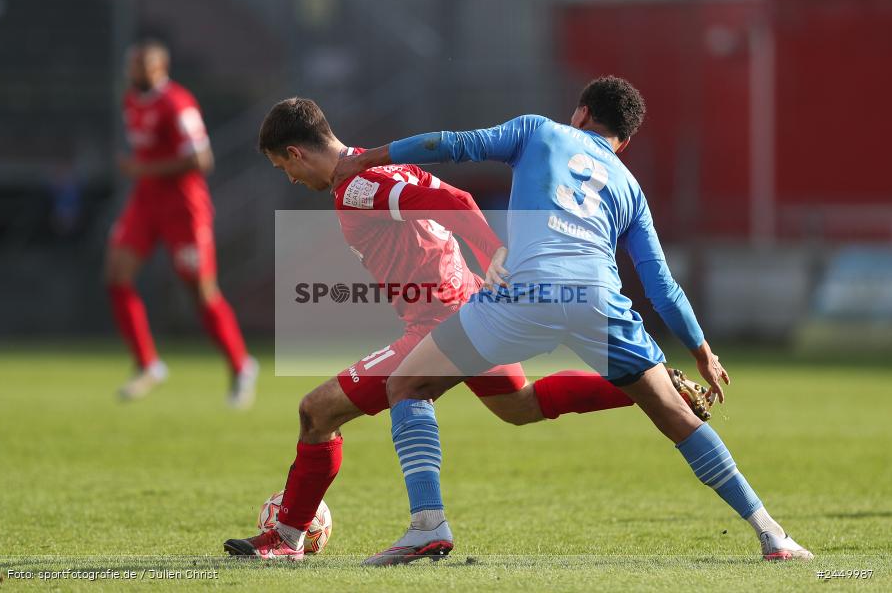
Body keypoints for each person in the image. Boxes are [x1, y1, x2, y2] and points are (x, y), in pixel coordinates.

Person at [332, 76, 813, 564]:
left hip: (527, 292)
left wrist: (369, 158)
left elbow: (455, 146)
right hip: (600, 301)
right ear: (622, 142)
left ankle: (427, 525)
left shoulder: (538, 131)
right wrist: (702, 353)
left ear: (580, 113)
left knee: (408, 386)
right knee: (678, 418)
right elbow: (662, 287)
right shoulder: (630, 188)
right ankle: (774, 535)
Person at [222, 98, 707, 561]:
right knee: (520, 406)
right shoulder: (388, 169)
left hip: (441, 322)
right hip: (472, 306)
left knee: (317, 412)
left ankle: (287, 535)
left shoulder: (357, 186)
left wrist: (492, 248)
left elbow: (451, 197)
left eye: (282, 167)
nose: (288, 176)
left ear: (295, 152)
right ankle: (655, 389)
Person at [105, 39, 258, 408]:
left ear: (159, 68)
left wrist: (144, 169)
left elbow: (201, 159)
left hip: (183, 209)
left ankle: (241, 365)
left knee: (200, 292)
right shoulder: (130, 100)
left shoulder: (178, 103)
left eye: (140, 66)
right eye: (132, 65)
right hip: (145, 202)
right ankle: (148, 364)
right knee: (116, 275)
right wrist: (144, 173)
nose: (133, 71)